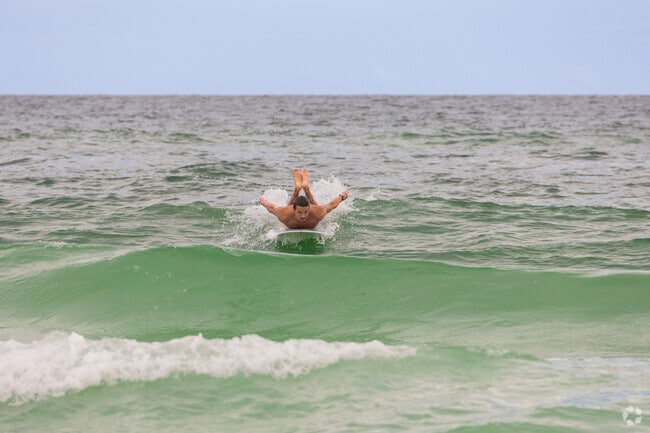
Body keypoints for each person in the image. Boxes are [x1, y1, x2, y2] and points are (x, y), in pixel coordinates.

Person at [260, 168, 348, 229]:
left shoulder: (318, 212)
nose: (303, 216)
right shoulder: (283, 213)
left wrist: (342, 197)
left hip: (313, 210)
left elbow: (331, 205)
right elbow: (271, 207)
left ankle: (305, 187)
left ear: (309, 209)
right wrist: (262, 200)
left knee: (316, 209)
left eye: (306, 212)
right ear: (294, 210)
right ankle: (298, 188)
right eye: (299, 212)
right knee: (287, 210)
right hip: (289, 211)